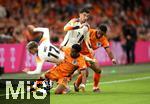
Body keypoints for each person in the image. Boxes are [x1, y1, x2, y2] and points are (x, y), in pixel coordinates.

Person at [74, 24, 117, 92]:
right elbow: (77, 38)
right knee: (85, 72)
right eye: (99, 32)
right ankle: (76, 84)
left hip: (90, 56)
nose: (100, 35)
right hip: (80, 55)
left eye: (102, 34)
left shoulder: (103, 39)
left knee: (98, 70)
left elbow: (108, 50)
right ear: (97, 29)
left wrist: (112, 59)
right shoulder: (89, 32)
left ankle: (95, 87)